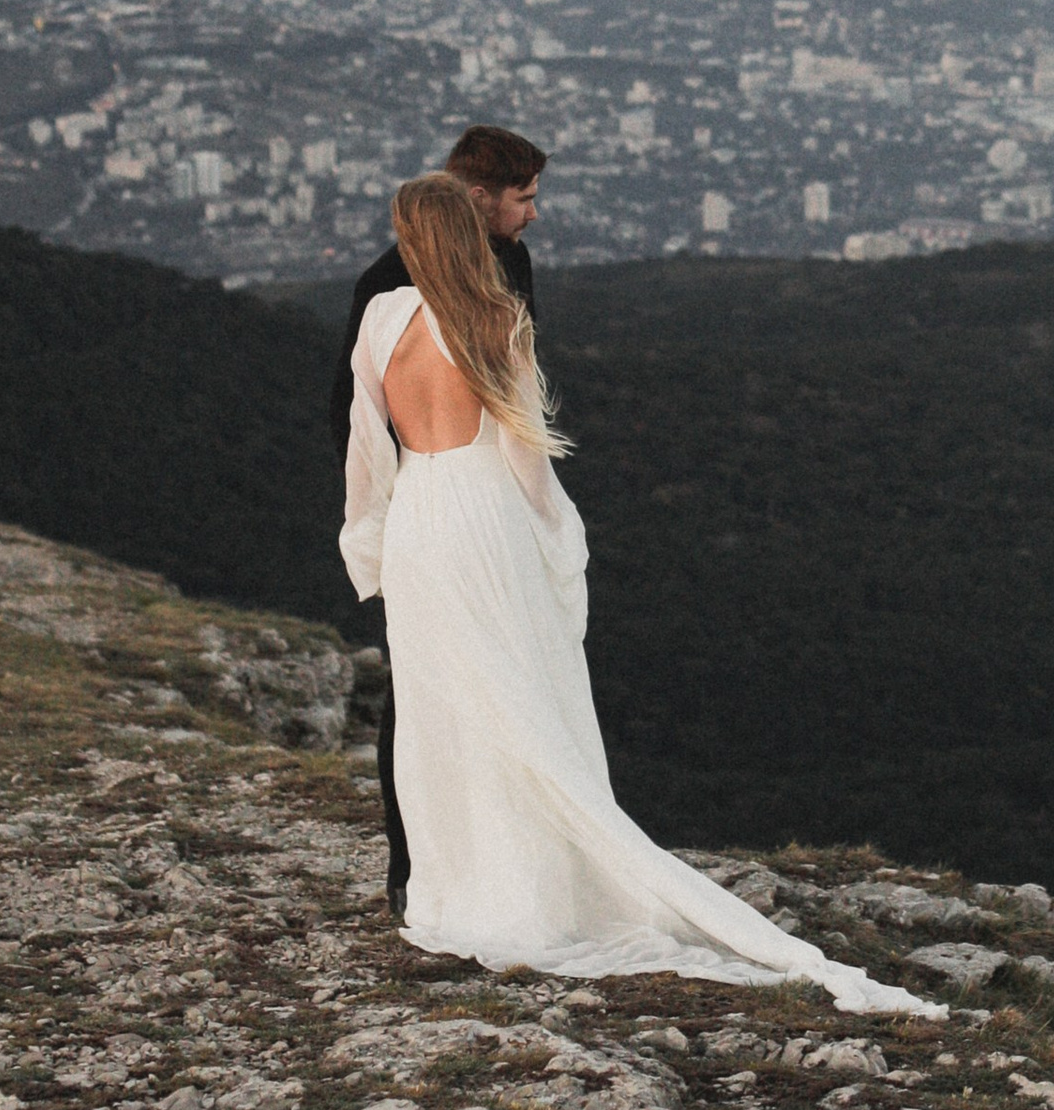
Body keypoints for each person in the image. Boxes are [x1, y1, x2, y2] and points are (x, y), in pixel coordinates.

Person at [342, 170, 938, 1015]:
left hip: (418, 523)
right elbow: (525, 459)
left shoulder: (377, 321)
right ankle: (539, 884)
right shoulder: (498, 319)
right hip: (485, 520)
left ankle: (455, 882)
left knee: (444, 709)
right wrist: (560, 539)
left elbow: (366, 453)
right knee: (524, 694)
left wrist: (367, 544)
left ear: (412, 236)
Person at [333, 125, 545, 919]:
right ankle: (419, 868)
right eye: (522, 199)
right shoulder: (407, 295)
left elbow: (354, 428)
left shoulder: (463, 282)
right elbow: (523, 428)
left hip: (424, 502)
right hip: (465, 499)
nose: (533, 216)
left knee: (445, 682)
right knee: (450, 685)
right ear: (474, 201)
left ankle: (471, 866)